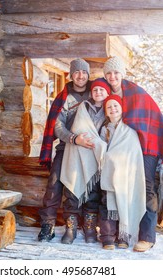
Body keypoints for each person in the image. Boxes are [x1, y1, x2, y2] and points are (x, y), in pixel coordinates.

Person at [102, 56, 163, 252]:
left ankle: (147, 236)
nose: (112, 76)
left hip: (144, 146)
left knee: (145, 186)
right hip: (122, 149)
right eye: (108, 73)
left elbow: (155, 119)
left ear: (122, 74)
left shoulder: (136, 92)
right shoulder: (105, 95)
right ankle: (122, 232)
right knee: (117, 187)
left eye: (116, 72)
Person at [38, 58, 95, 244]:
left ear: (88, 74)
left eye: (84, 72)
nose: (80, 76)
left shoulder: (95, 93)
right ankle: (48, 224)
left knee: (93, 186)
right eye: (77, 72)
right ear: (71, 75)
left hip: (90, 148)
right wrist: (73, 138)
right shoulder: (64, 97)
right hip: (67, 146)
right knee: (54, 183)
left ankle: (89, 224)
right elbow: (57, 126)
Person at [60, 78, 110, 243]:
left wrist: (98, 144)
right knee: (72, 192)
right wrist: (82, 139)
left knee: (93, 193)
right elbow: (77, 127)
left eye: (102, 90)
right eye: (95, 90)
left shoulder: (110, 109)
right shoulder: (84, 107)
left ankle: (89, 227)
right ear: (91, 92)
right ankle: (71, 228)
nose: (98, 93)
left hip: (96, 157)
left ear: (107, 92)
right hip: (77, 151)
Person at [98, 95, 146, 250]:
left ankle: (123, 236)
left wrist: (116, 158)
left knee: (122, 204)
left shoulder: (129, 130)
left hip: (125, 174)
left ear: (122, 108)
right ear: (106, 112)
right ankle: (107, 237)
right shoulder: (104, 130)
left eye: (115, 106)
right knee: (108, 205)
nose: (113, 109)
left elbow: (133, 153)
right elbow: (101, 149)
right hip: (108, 172)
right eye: (109, 107)